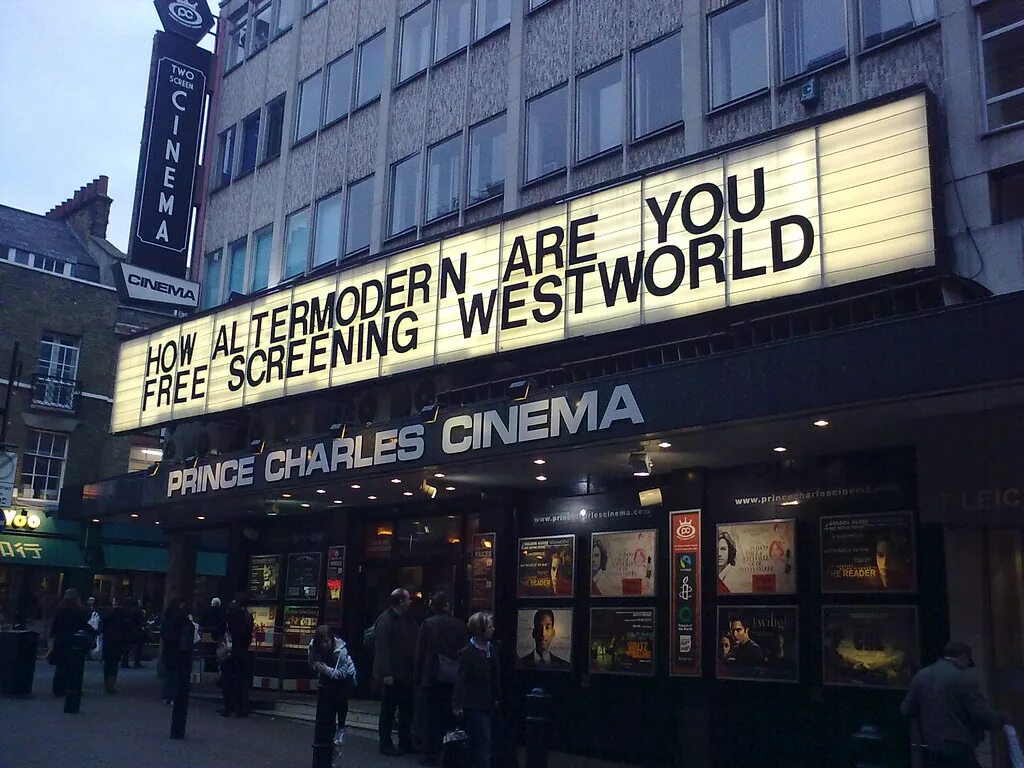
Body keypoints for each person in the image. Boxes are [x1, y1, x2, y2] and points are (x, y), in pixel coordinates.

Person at [901, 641, 1004, 768]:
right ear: (963, 657)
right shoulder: (962, 678)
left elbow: (906, 709)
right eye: (967, 663)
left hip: (932, 744)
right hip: (959, 745)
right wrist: (1000, 721)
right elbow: (980, 712)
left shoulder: (921, 676)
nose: (966, 667)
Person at [414, 592, 468, 766]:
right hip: (454, 678)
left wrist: (418, 677)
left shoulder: (428, 625)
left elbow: (420, 654)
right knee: (450, 717)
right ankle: (451, 752)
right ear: (447, 606)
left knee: (431, 717)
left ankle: (431, 753)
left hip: (432, 677)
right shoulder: (460, 625)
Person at [373, 588, 419, 756]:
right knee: (389, 709)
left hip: (406, 672)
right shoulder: (386, 621)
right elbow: (382, 649)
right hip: (393, 673)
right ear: (400, 601)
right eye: (408, 599)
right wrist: (386, 673)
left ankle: (405, 741)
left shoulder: (408, 619)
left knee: (406, 709)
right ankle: (385, 743)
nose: (410, 601)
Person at [453, 612, 500, 768]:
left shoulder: (491, 649)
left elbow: (495, 677)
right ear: (480, 629)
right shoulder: (468, 653)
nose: (493, 629)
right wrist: (457, 704)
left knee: (483, 743)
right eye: (489, 627)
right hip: (473, 704)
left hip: (489, 703)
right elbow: (461, 680)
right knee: (483, 743)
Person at [308, 625, 357, 748]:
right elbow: (311, 661)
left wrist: (325, 670)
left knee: (340, 700)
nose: (324, 645)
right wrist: (317, 667)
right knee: (327, 705)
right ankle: (328, 734)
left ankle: (341, 728)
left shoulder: (341, 651)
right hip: (327, 673)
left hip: (346, 676)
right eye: (321, 642)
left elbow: (342, 673)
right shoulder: (312, 647)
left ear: (331, 639)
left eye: (326, 641)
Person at [220, 596, 255, 717]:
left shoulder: (231, 615)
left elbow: (223, 630)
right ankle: (241, 707)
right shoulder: (247, 616)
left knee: (228, 680)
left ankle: (229, 707)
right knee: (240, 680)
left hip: (231, 650)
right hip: (241, 651)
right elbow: (247, 634)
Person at [49, 588, 88, 696]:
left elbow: (55, 624)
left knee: (60, 666)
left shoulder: (60, 609)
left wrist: (52, 634)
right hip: (73, 640)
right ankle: (71, 688)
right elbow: (83, 624)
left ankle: (58, 688)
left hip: (61, 639)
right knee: (73, 666)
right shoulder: (78, 610)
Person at [160, 598, 187, 704]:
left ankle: (166, 695)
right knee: (176, 673)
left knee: (169, 673)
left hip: (168, 646)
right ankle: (174, 697)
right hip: (177, 647)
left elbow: (163, 633)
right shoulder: (180, 617)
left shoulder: (166, 616)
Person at [100, 595, 129, 693]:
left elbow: (102, 626)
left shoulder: (108, 613)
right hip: (118, 640)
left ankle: (106, 684)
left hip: (108, 639)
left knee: (107, 663)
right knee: (114, 663)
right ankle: (110, 685)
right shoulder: (123, 614)